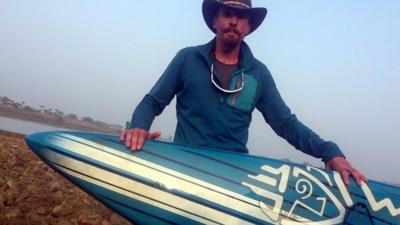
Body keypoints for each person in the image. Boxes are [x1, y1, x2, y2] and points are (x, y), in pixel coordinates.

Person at [120, 0, 367, 186]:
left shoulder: (258, 74)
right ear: (215, 20)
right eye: (227, 13)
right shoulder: (188, 59)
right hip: (184, 167)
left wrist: (330, 151)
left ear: (248, 26)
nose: (233, 21)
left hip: (233, 178)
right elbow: (152, 101)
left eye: (241, 16)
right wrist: (139, 126)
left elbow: (286, 124)